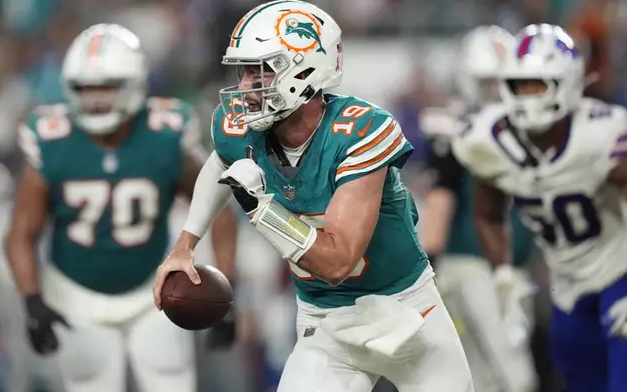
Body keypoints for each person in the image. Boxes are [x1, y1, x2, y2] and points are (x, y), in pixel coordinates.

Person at [153, 1, 473, 391]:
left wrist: (262, 211)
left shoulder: (359, 131)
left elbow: (338, 262)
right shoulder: (239, 128)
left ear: (305, 70)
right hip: (324, 324)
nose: (246, 87)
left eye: (261, 72)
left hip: (406, 312)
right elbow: (221, 162)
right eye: (245, 72)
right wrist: (186, 244)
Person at [5, 23, 237, 392]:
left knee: (171, 379)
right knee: (91, 381)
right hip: (75, 293)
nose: (96, 98)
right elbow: (21, 232)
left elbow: (218, 207)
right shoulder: (50, 137)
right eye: (85, 87)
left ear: (134, 83)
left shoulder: (166, 131)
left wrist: (228, 285)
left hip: (154, 290)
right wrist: (32, 299)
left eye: (107, 86)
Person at [452, 23, 627, 392]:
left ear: (567, 83)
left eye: (539, 84)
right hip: (567, 285)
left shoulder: (601, 134)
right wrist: (502, 276)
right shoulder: (486, 139)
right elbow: (487, 213)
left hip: (622, 273)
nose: (528, 96)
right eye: (521, 85)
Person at [419, 26, 537, 392]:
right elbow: (441, 198)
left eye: (499, 82)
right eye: (485, 82)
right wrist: (428, 265)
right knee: (515, 374)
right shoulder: (457, 130)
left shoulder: (523, 128)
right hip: (473, 267)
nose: (494, 92)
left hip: (508, 268)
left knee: (483, 378)